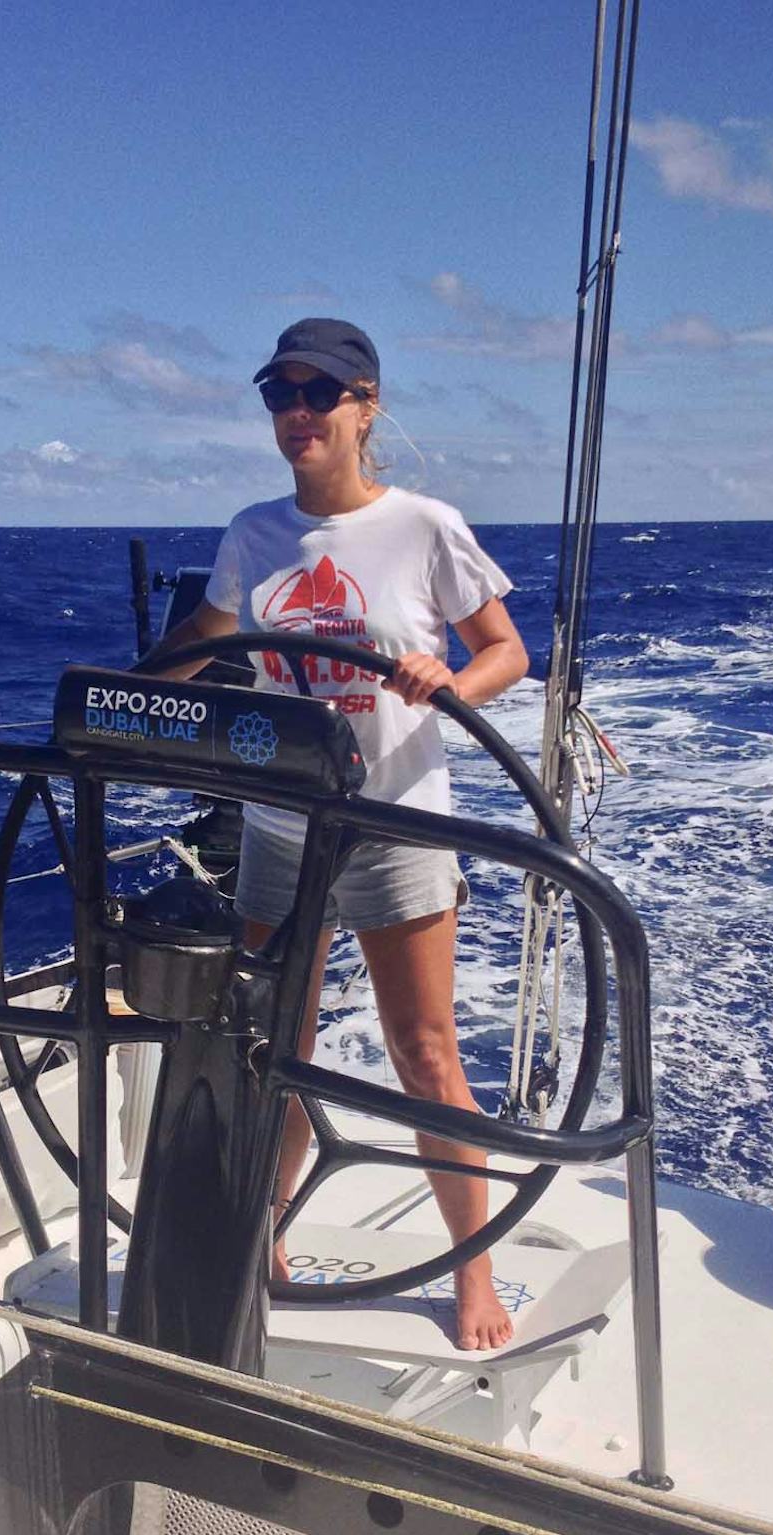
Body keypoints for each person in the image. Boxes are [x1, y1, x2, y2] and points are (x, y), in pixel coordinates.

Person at [142, 318, 529, 1350]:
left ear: (366, 407)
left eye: (321, 393)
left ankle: (473, 1271)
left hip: (395, 822)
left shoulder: (424, 526)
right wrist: (116, 697)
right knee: (272, 1043)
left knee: (424, 1051)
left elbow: (505, 651)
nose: (298, 412)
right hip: (281, 826)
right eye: (281, 394)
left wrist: (450, 679)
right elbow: (206, 635)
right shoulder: (252, 534)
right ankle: (264, 1235)